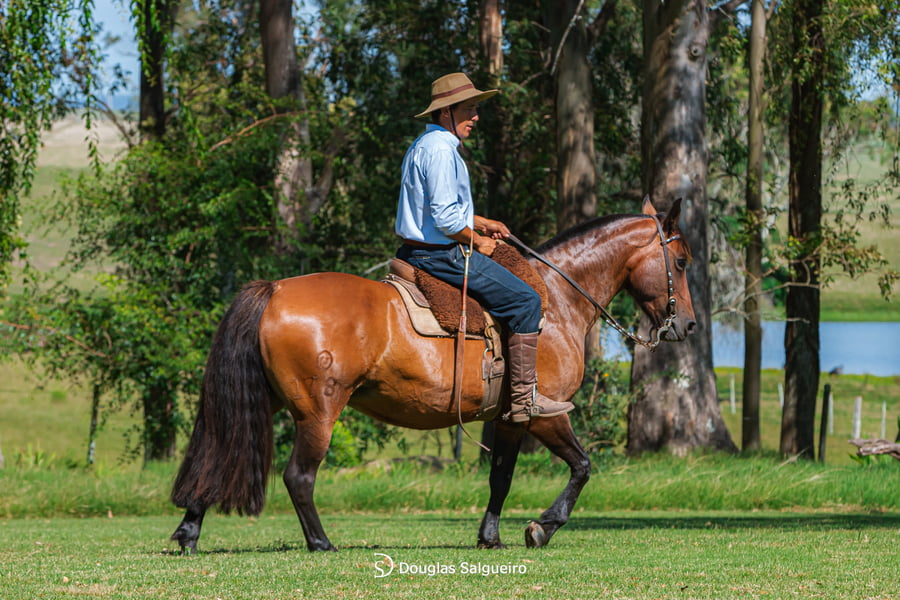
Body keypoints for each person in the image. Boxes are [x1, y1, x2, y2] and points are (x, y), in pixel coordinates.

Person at [395, 72, 574, 423]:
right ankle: (524, 400)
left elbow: (437, 208)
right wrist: (478, 241)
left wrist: (481, 221)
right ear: (446, 112)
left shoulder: (424, 145)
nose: (476, 117)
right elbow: (446, 221)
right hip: (441, 256)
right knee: (527, 300)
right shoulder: (442, 151)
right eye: (470, 110)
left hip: (419, 249)